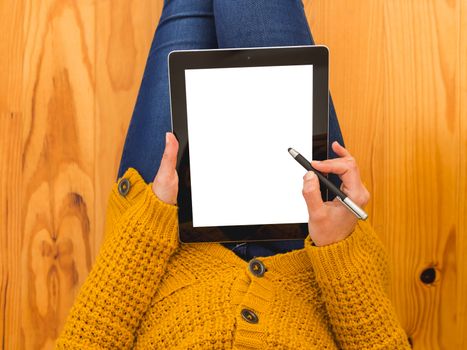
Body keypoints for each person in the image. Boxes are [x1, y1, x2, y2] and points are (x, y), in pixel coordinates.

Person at [56, 1, 411, 349]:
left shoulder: (154, 225)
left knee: (185, 9)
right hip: (313, 244)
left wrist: (152, 217)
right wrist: (338, 248)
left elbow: (89, 336)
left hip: (158, 246)